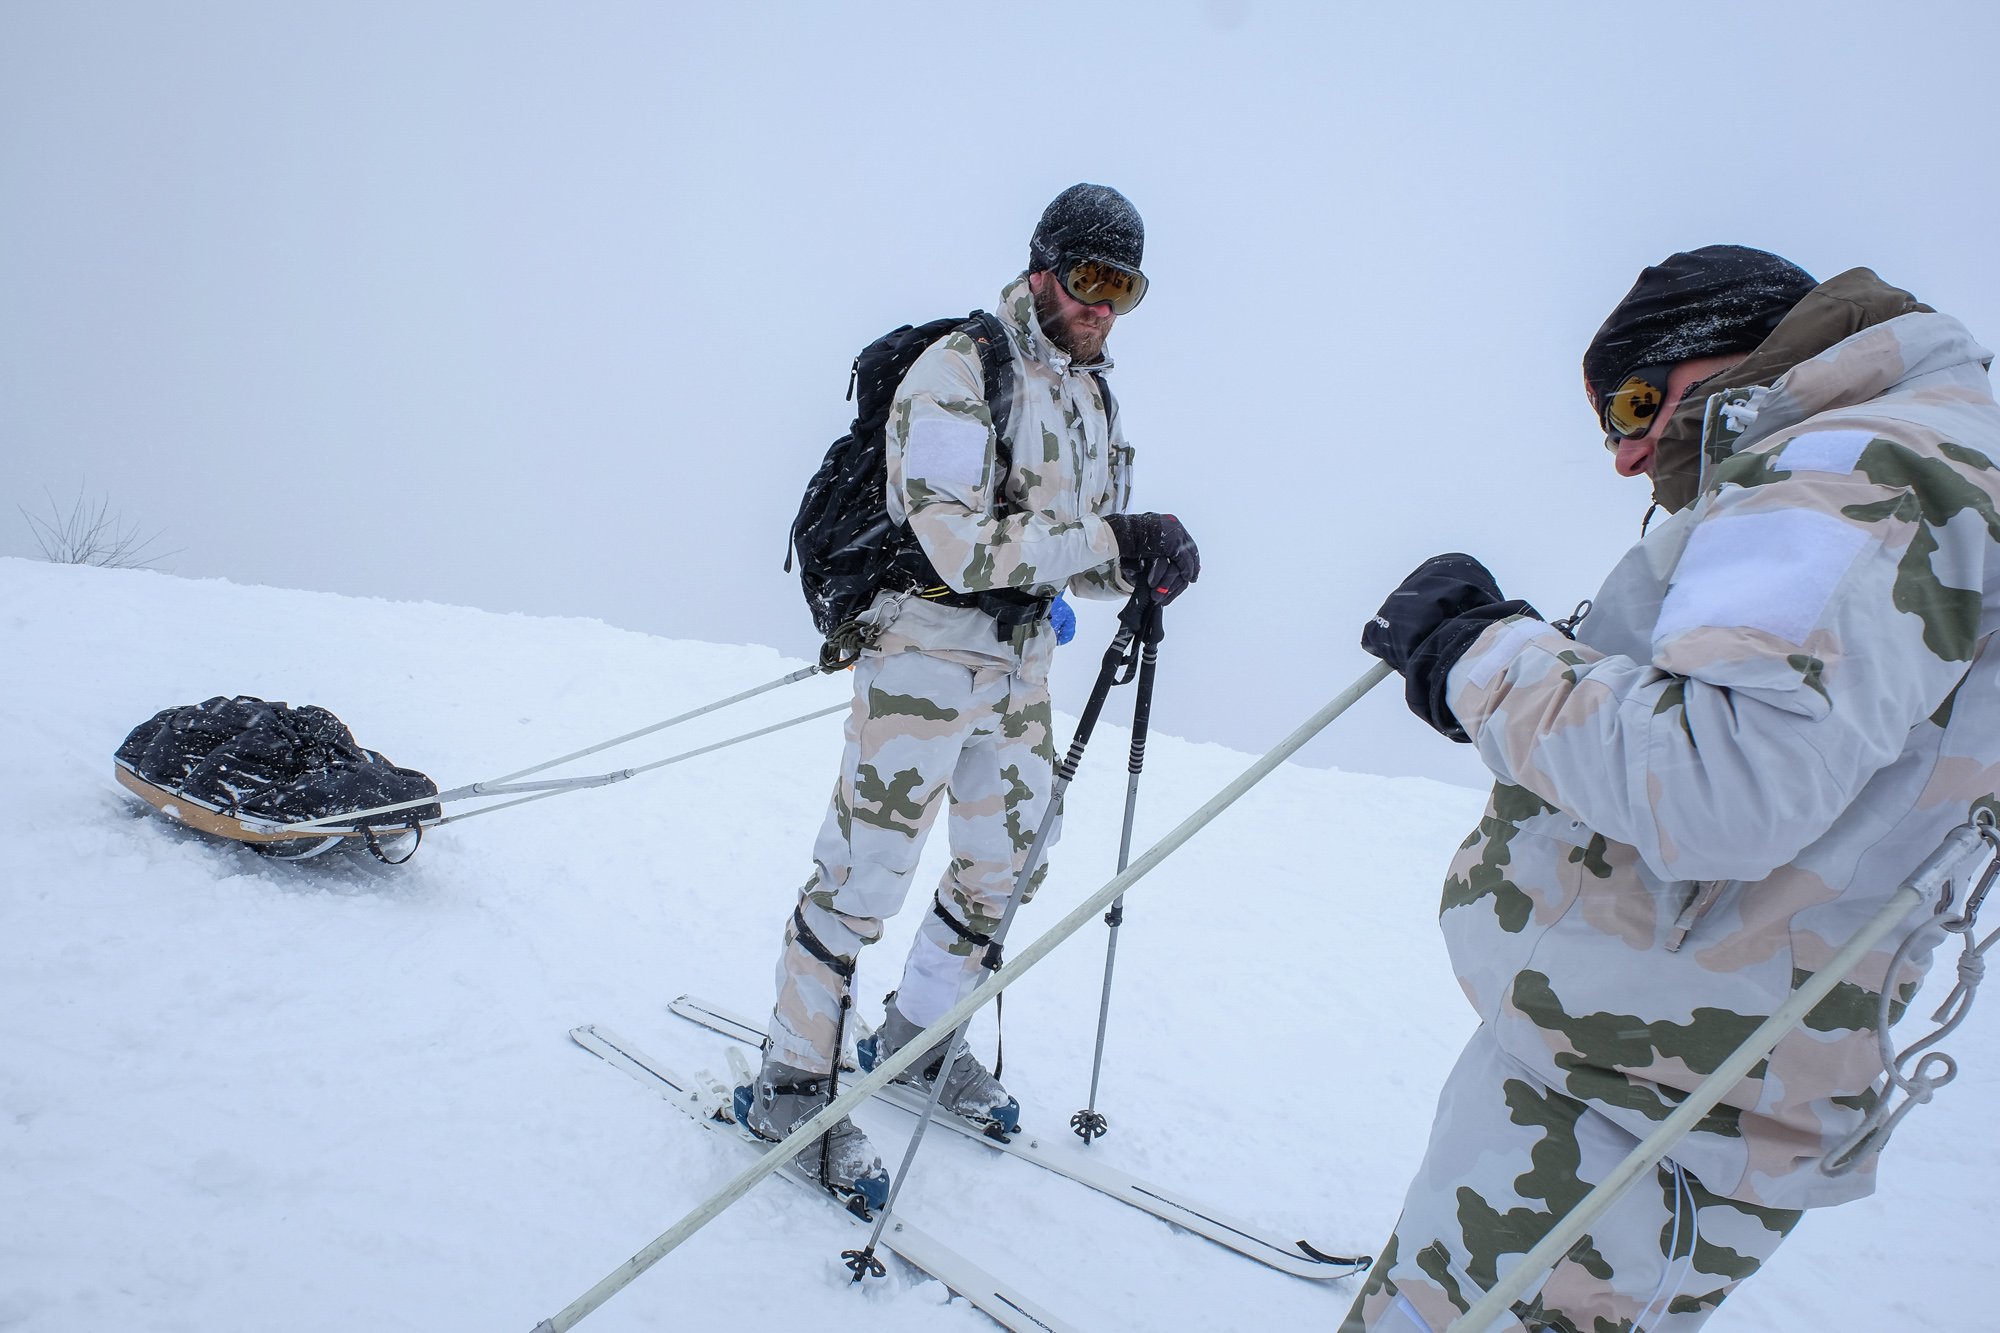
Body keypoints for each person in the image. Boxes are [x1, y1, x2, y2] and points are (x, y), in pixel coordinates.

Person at [1349, 245, 2000, 1331]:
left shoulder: (1851, 470)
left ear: (1745, 351)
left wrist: (1478, 655)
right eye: (1610, 419)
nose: (1625, 452)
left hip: (1644, 1101)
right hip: (1637, 1062)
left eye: (1642, 400)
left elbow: (1721, 781)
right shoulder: (1903, 458)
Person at [739, 184, 1200, 1209]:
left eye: (1124, 288)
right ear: (1043, 266)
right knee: (862, 876)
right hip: (924, 648)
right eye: (1088, 280)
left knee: (1011, 859)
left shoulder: (1090, 394)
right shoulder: (958, 369)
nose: (1102, 307)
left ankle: (914, 1034)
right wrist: (1107, 542)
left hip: (1020, 659)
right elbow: (957, 542)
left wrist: (1136, 562)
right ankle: (786, 1082)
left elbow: (1070, 549)